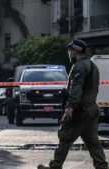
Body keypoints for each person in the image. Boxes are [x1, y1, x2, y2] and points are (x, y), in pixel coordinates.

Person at [38, 39, 108, 169]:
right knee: (93, 142)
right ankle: (102, 166)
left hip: (79, 110)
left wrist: (70, 106)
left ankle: (55, 166)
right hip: (91, 109)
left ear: (76, 51)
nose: (69, 53)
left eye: (70, 50)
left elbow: (76, 88)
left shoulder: (79, 66)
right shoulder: (93, 66)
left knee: (65, 137)